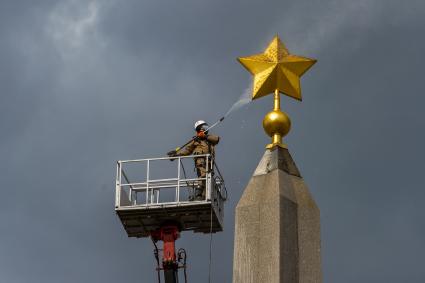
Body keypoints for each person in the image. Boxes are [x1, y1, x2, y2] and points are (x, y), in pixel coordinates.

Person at [167, 120, 220, 201]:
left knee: (208, 179)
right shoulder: (195, 141)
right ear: (200, 129)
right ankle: (198, 194)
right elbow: (187, 150)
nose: (206, 128)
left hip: (209, 163)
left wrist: (205, 136)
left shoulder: (209, 139)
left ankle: (204, 196)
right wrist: (176, 154)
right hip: (201, 162)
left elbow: (217, 139)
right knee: (203, 176)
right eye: (204, 127)